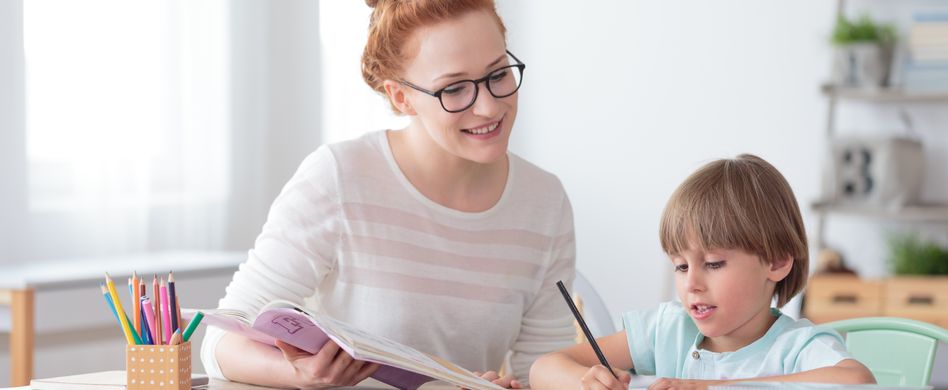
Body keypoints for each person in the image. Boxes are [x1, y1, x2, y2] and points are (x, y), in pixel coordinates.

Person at [200, 0, 577, 388]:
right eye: (455, 88)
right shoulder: (339, 178)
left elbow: (545, 368)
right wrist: (300, 375)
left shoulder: (544, 201)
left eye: (498, 74)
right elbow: (222, 343)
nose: (488, 106)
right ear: (401, 97)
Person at [529, 154, 876, 390]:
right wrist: (585, 382)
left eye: (713, 264)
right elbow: (544, 368)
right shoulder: (667, 330)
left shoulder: (795, 349)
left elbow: (857, 380)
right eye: (681, 266)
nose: (691, 284)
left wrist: (713, 386)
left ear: (777, 261)